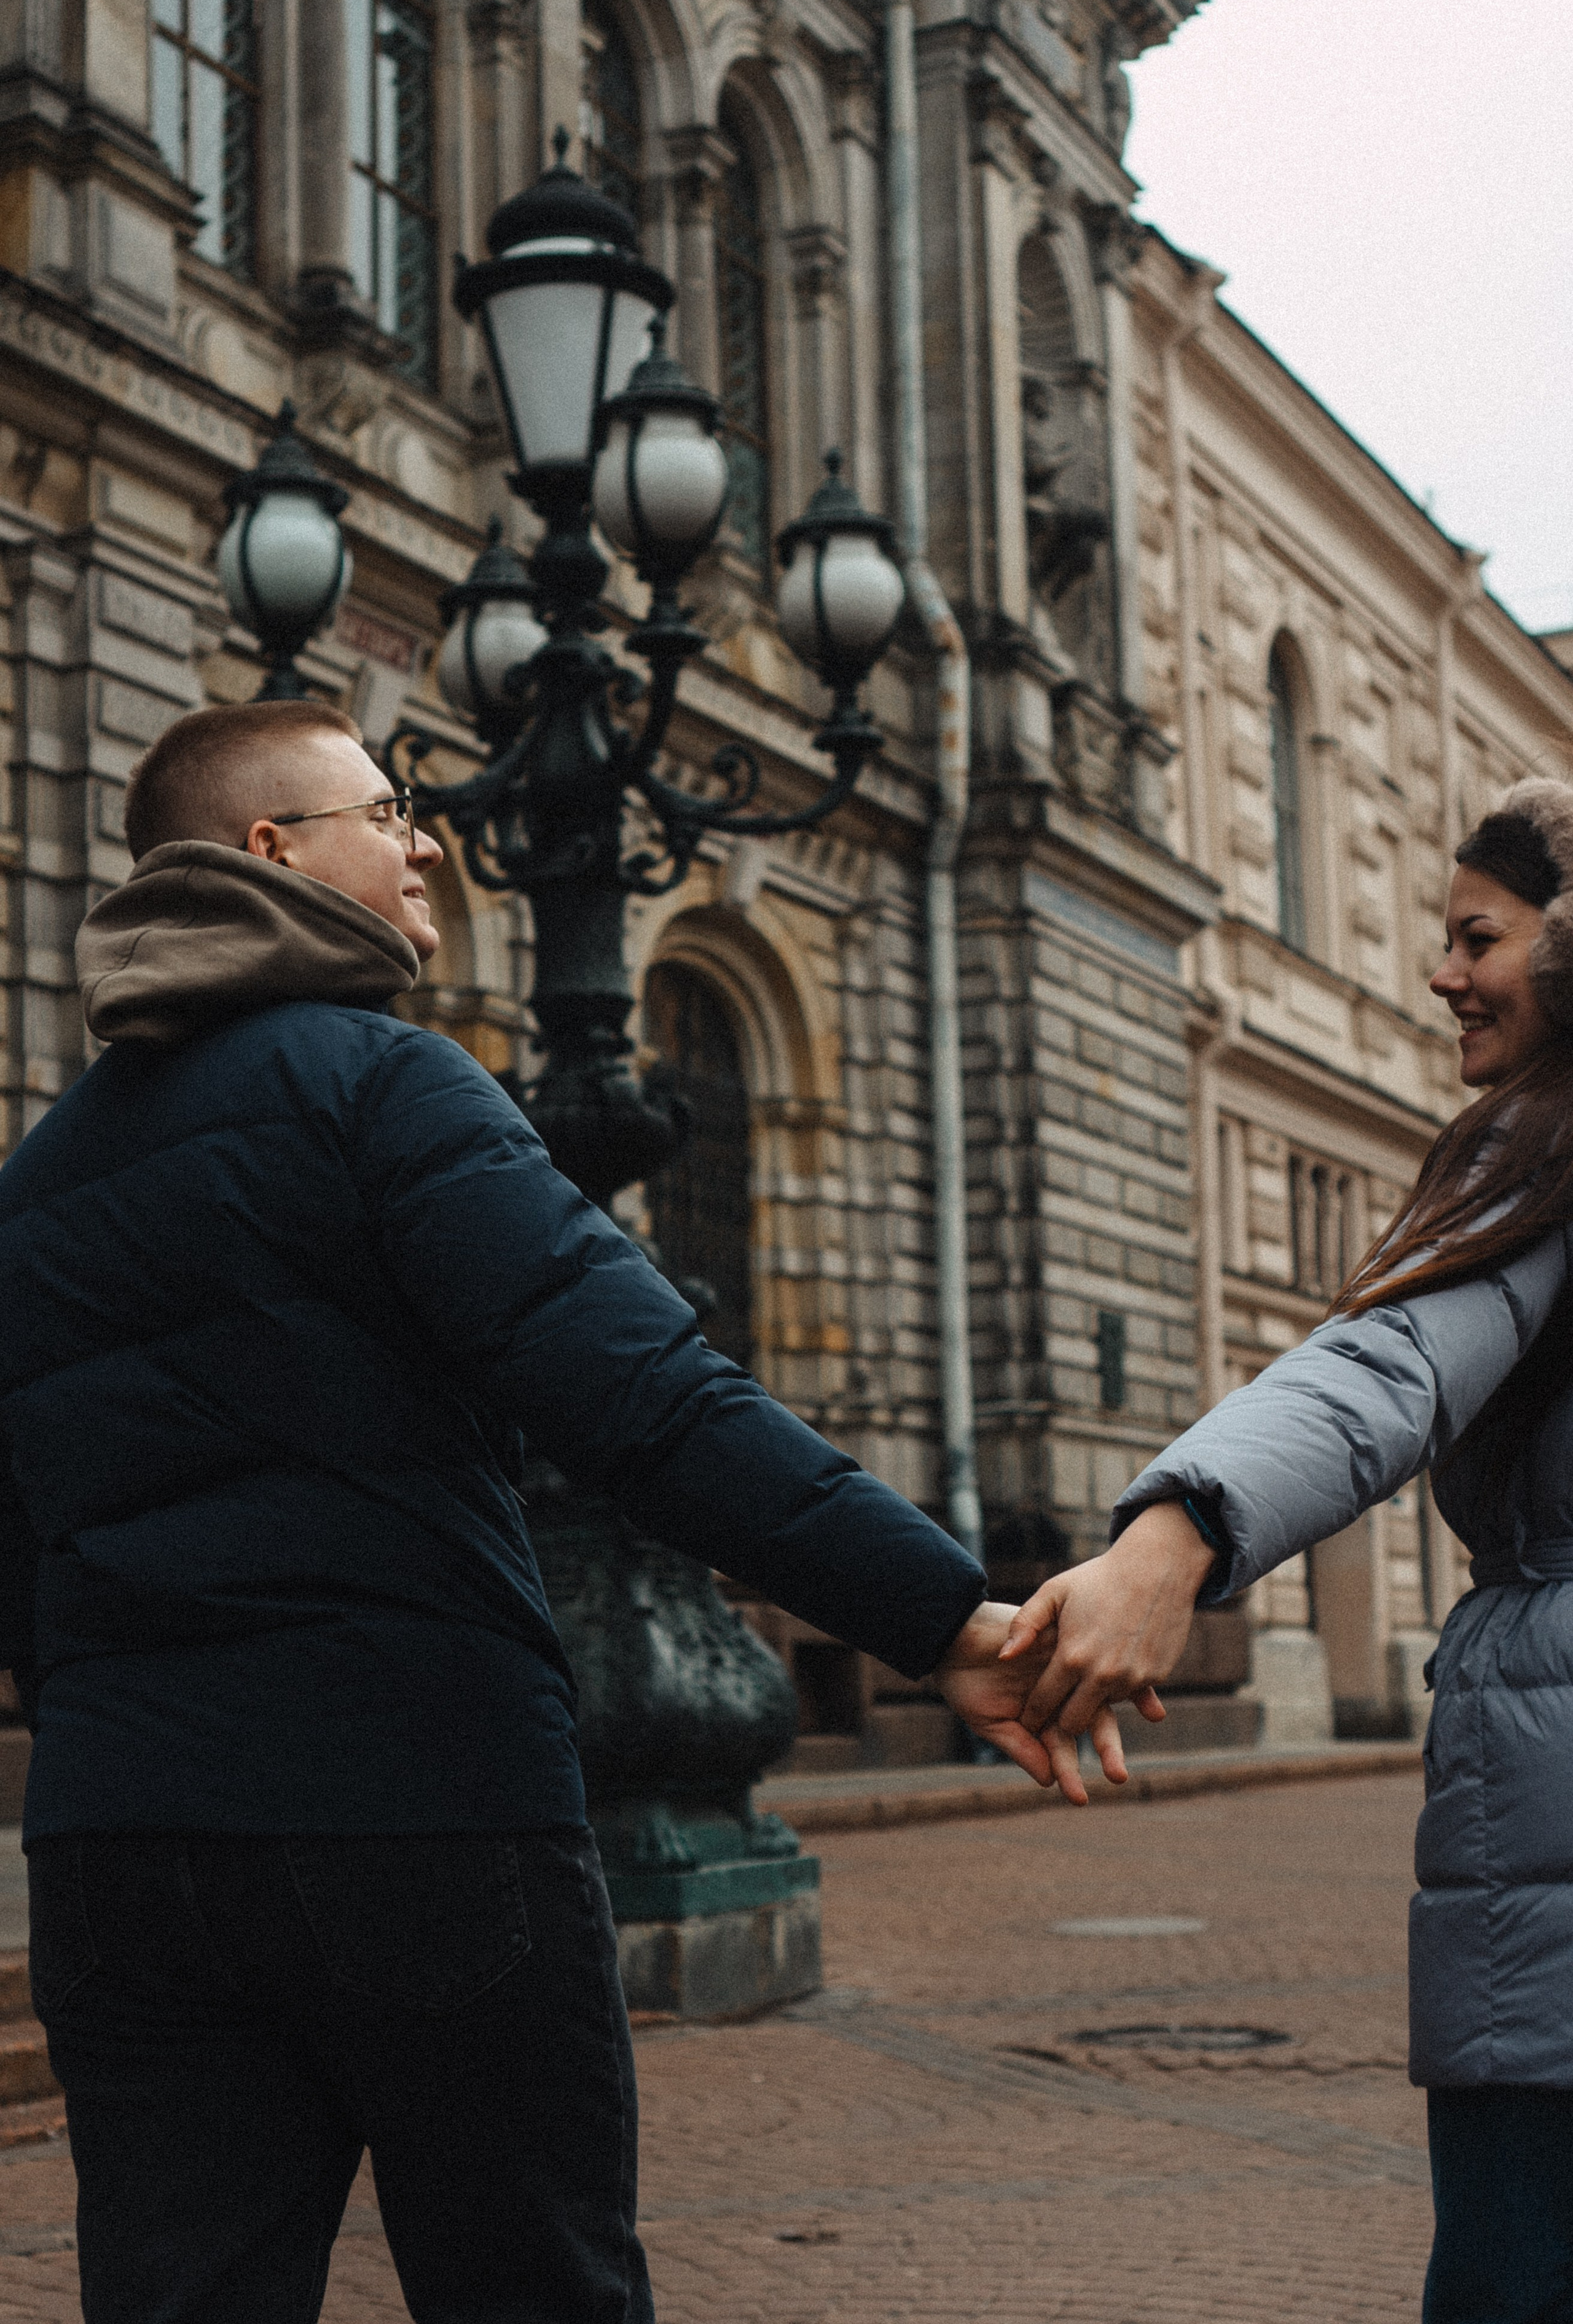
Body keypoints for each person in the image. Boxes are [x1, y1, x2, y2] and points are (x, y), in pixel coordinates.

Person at [1, 696, 1133, 2324]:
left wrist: (126, 1719)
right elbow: (650, 1401)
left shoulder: (35, 1187)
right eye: (384, 813)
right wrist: (940, 1617)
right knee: (533, 2287)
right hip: (416, 1806)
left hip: (121, 1845)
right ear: (271, 853)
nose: (421, 844)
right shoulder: (386, 1086)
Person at [1001, 774, 1573, 2324]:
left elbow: (1381, 1366)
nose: (1441, 976)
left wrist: (1171, 1538)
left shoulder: (1539, 1147)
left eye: (1477, 938)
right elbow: (1383, 1375)